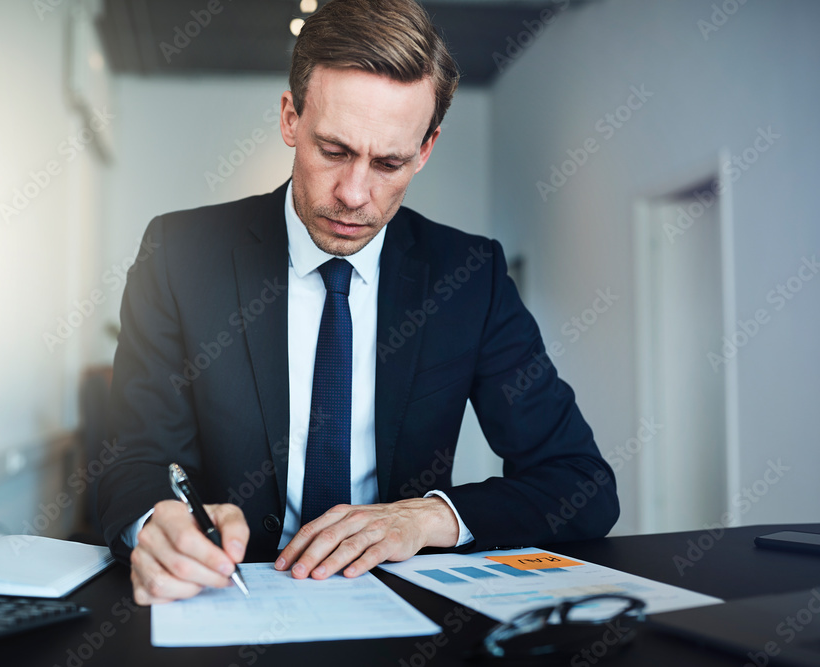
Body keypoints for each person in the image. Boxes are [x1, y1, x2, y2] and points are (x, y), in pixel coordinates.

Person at [98, 0, 618, 606]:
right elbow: (129, 462)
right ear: (291, 118)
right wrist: (155, 524)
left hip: (402, 612)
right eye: (335, 150)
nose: (353, 194)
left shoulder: (469, 277)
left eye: (389, 162)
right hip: (224, 602)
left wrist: (424, 520)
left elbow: (581, 483)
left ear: (425, 150)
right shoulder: (179, 254)